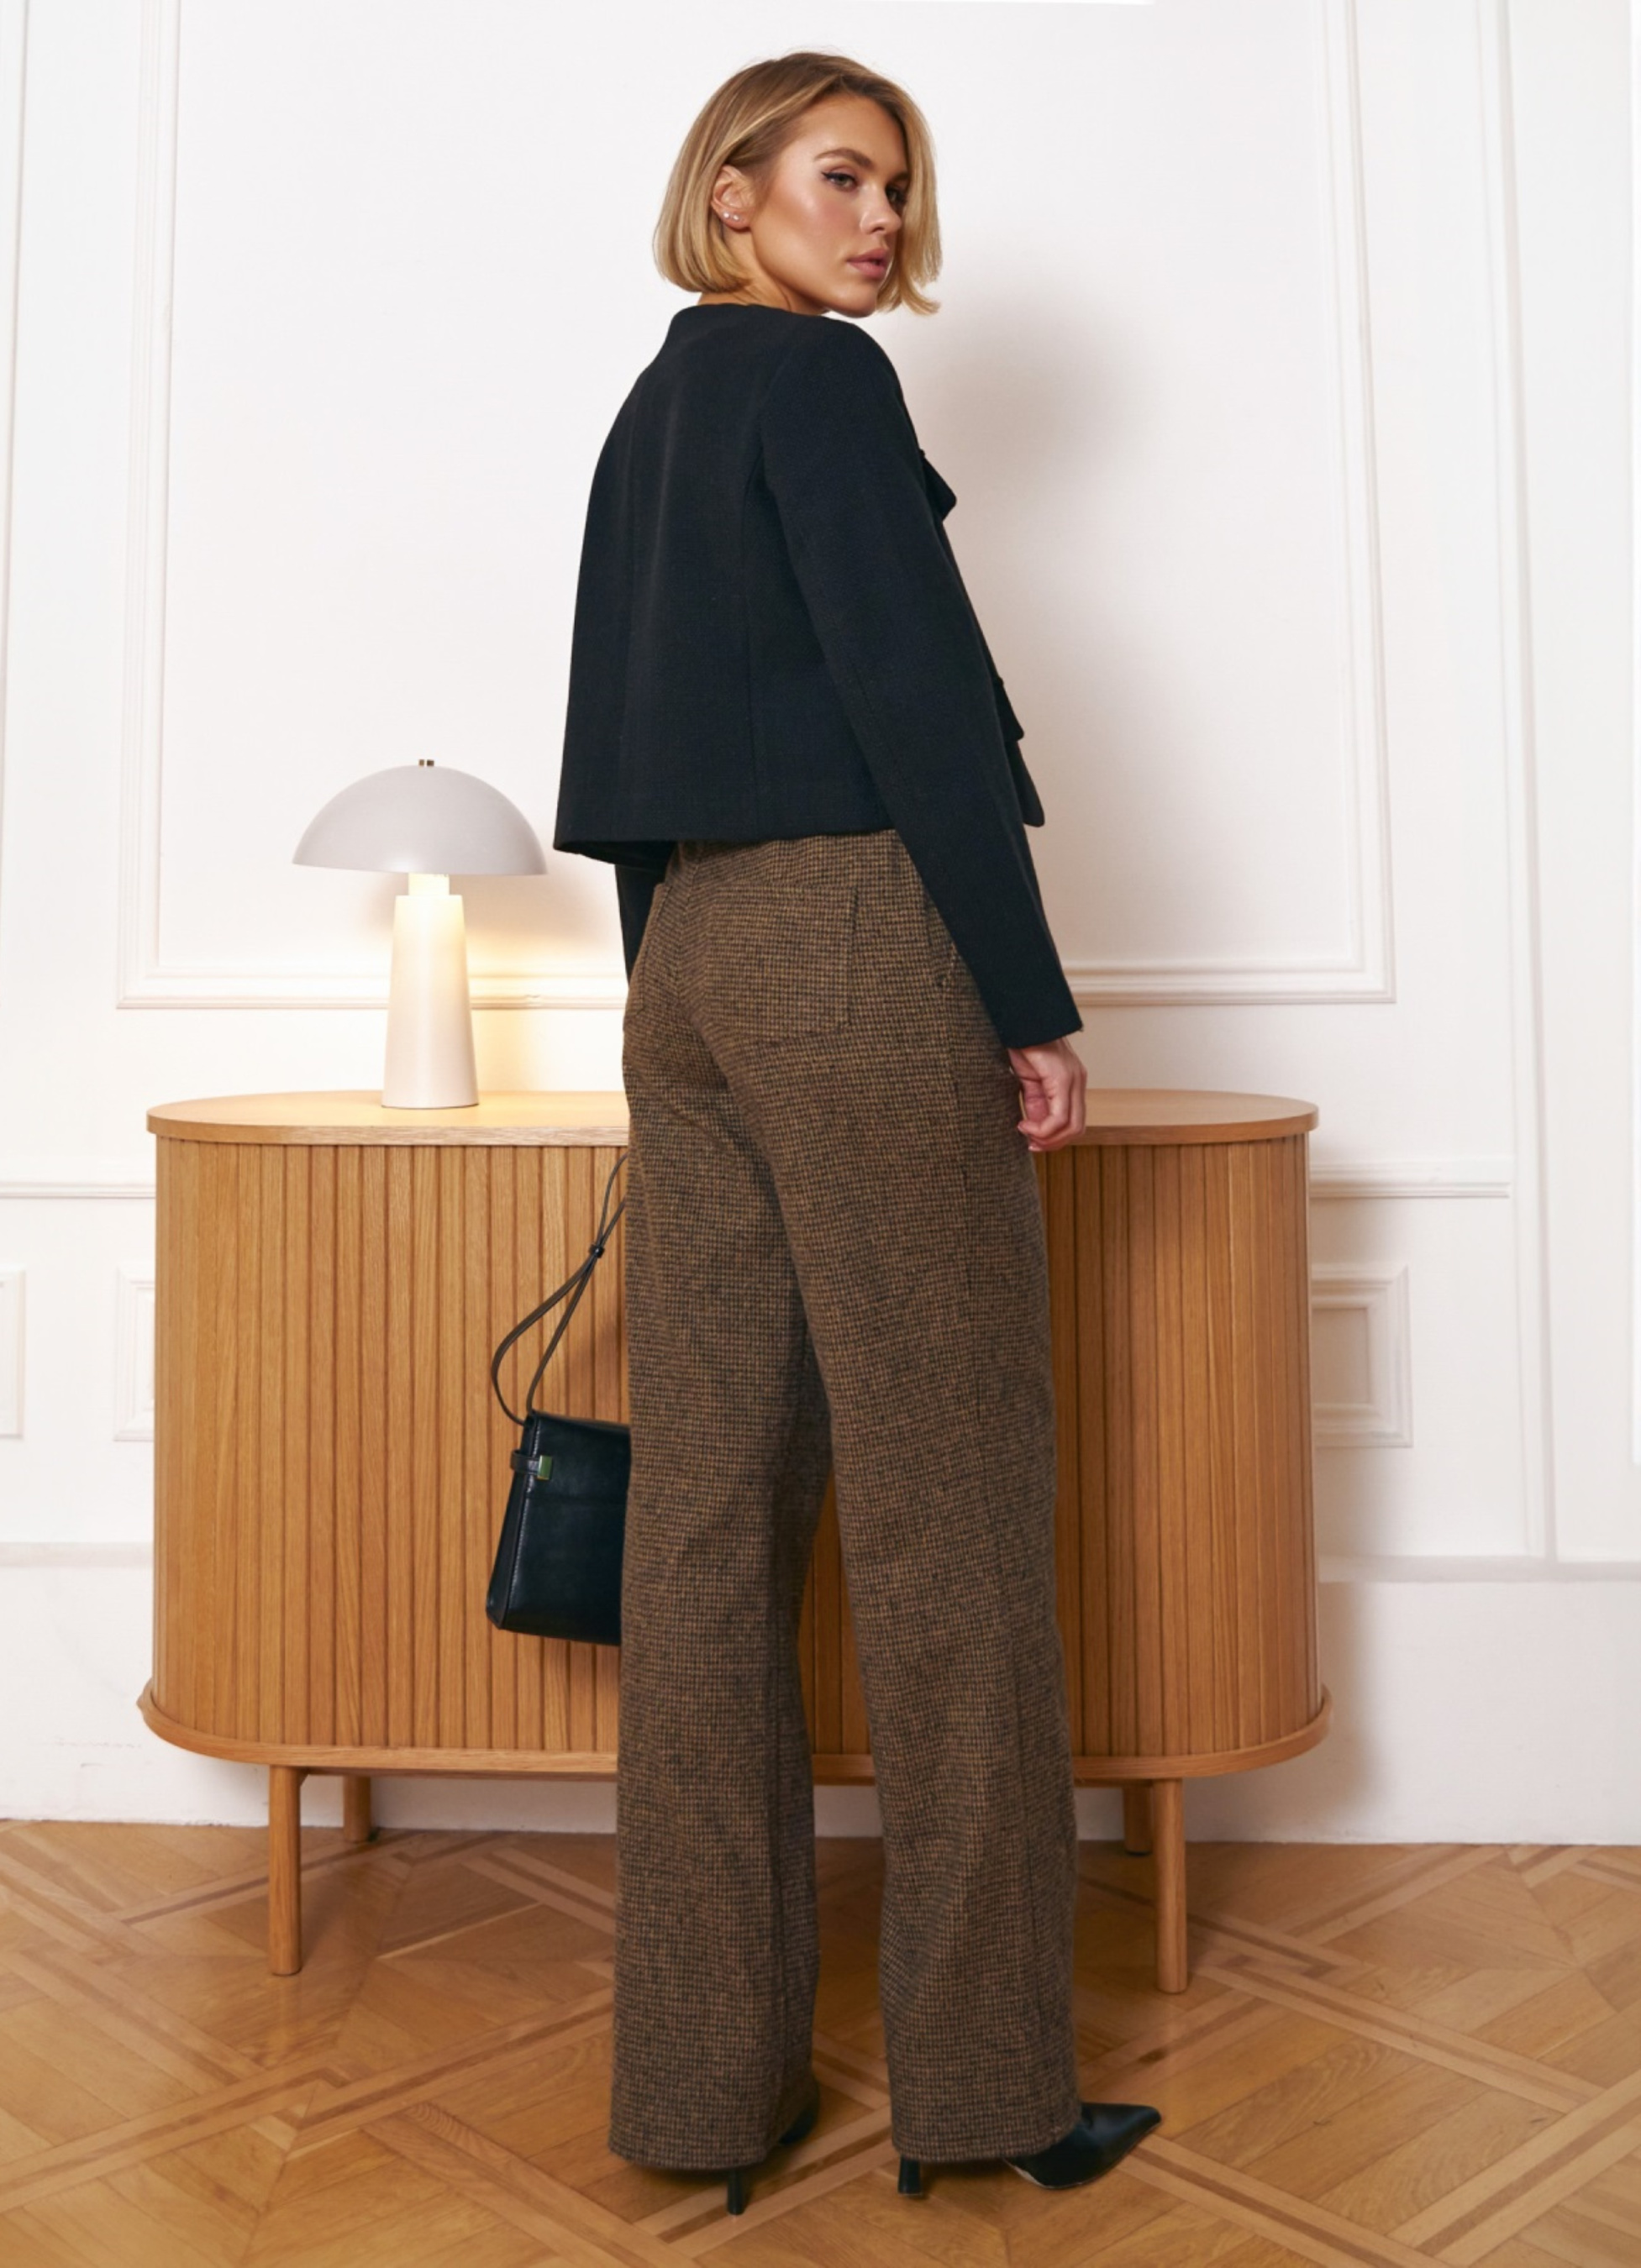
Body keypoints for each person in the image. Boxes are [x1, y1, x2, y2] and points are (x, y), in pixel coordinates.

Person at [551, 49, 1161, 2214]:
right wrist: (1025, 995)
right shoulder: (820, 386)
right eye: (842, 175)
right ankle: (986, 2091)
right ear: (733, 191)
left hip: (692, 959)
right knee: (950, 1500)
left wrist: (665, 989)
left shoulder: (653, 407)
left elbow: (611, 739)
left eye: (898, 185)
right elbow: (916, 709)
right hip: (857, 941)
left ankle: (701, 2094)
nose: (883, 218)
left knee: (707, 1519)